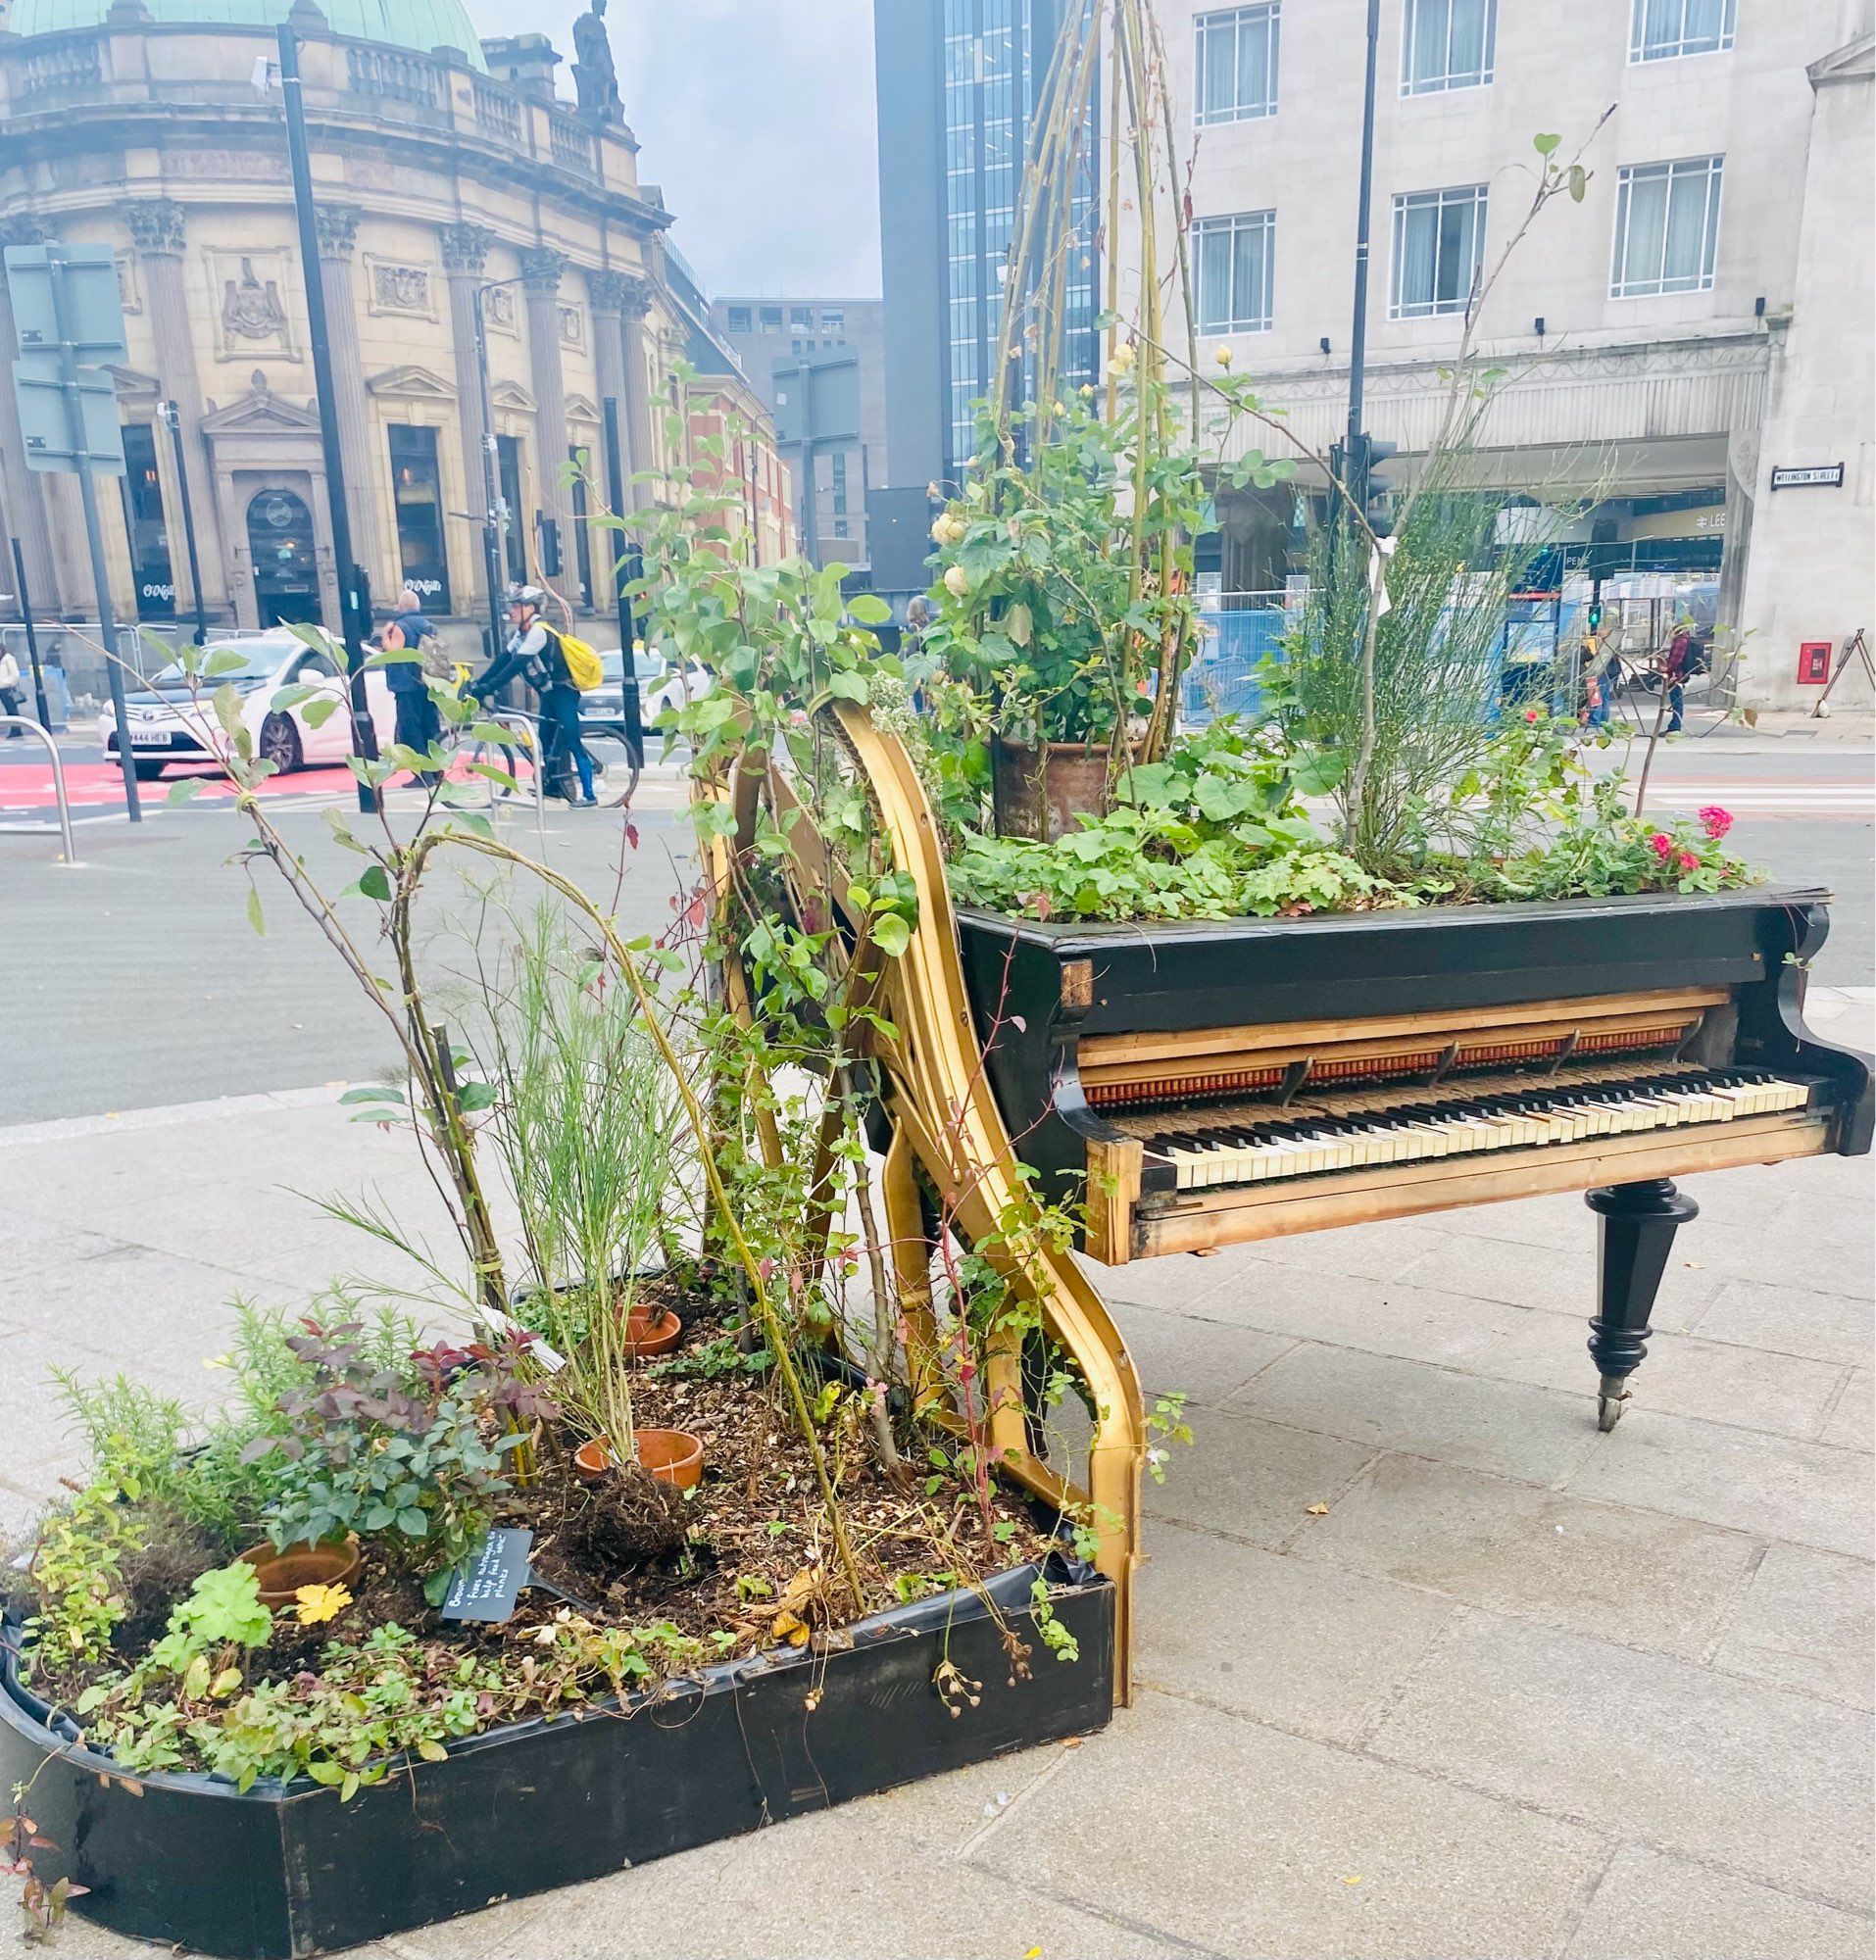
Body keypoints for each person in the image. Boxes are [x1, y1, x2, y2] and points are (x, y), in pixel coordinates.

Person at [475, 585, 595, 805]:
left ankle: (589, 794)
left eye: (516, 606)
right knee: (545, 737)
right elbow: (503, 660)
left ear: (530, 608)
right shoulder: (522, 633)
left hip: (564, 691)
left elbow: (516, 665)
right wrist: (479, 683)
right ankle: (554, 788)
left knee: (571, 738)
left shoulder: (539, 631)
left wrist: (489, 687)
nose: (511, 611)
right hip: (549, 693)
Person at [380, 589, 441, 785]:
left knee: (411, 729)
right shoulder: (428, 625)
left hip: (407, 686)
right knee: (430, 728)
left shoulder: (401, 626)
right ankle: (436, 771)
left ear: (401, 607)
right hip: (428, 684)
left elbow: (396, 653)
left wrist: (384, 637)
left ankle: (422, 775)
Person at [0, 645, 23, 734]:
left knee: (12, 710)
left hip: (7, 688)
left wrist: (5, 682)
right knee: (9, 710)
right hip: (1, 688)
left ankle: (16, 730)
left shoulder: (8, 659)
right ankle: (14, 729)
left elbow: (15, 675)